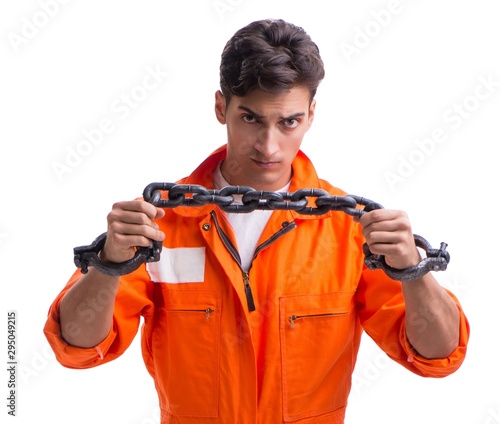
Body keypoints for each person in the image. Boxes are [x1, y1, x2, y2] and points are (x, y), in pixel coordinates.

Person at [44, 19, 469, 424]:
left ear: (311, 115)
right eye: (250, 118)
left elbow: (437, 356)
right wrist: (109, 264)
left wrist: (414, 272)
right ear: (220, 107)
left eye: (289, 122)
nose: (269, 145)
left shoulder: (349, 229)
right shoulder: (158, 224)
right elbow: (77, 347)